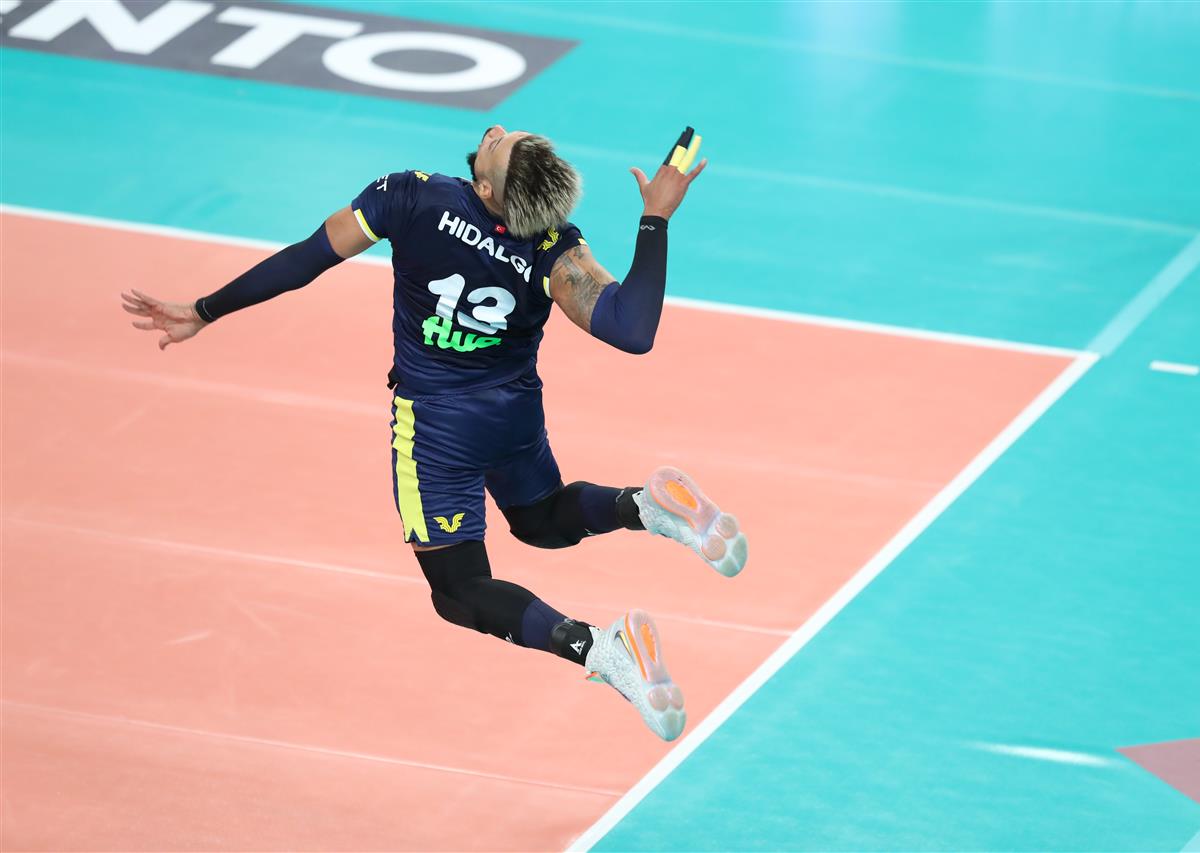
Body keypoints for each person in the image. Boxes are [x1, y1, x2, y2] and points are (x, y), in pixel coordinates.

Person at [120, 125, 747, 741]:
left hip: (436, 429)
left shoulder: (409, 195)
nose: (495, 128)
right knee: (540, 521)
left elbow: (307, 259)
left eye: (499, 142)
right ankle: (645, 507)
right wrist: (656, 218)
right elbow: (632, 330)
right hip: (511, 412)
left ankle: (603, 650)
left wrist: (204, 310)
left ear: (486, 188)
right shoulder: (554, 245)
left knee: (457, 589)